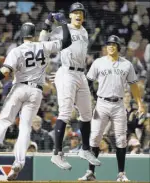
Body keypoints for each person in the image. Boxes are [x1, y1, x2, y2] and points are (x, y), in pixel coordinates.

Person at [0, 21, 72, 180]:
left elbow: (5, 71)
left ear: (21, 35)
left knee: (5, 120)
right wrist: (62, 24)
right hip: (36, 91)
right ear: (34, 35)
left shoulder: (17, 50)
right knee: (25, 127)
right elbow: (67, 41)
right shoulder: (44, 46)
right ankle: (19, 162)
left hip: (20, 88)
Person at [39, 2, 101, 170]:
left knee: (87, 114)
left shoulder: (84, 31)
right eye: (75, 12)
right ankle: (57, 154)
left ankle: (85, 149)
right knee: (65, 112)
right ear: (70, 15)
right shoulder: (61, 30)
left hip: (81, 74)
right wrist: (47, 24)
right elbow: (42, 41)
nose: (78, 14)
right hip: (67, 72)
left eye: (81, 12)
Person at [78, 35, 145, 181]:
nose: (111, 46)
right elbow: (88, 82)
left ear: (118, 47)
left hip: (119, 105)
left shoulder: (126, 64)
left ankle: (121, 173)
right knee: (95, 137)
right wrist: (83, 100)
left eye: (114, 44)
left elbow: (133, 85)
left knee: (121, 139)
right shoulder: (98, 62)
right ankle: (90, 172)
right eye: (109, 44)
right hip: (101, 103)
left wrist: (139, 103)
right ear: (105, 47)